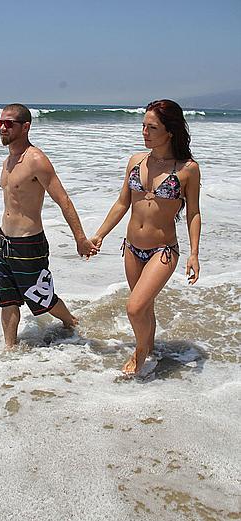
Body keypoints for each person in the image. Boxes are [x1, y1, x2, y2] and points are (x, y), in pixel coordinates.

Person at [91, 99, 201, 376]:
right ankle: (149, 346)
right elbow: (121, 203)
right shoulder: (136, 161)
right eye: (143, 126)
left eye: (152, 127)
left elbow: (193, 214)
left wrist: (194, 254)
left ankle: (140, 353)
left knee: (134, 307)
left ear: (170, 131)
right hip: (131, 248)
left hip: (161, 251)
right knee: (144, 306)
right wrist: (100, 234)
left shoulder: (187, 168)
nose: (144, 132)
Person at [0, 103, 98, 349]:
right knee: (7, 300)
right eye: (0, 123)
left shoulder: (37, 160)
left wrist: (81, 239)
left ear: (25, 127)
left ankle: (72, 322)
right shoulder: (8, 161)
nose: (2, 129)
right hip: (4, 242)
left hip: (28, 244)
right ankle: (9, 350)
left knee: (42, 299)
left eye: (8, 124)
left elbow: (64, 201)